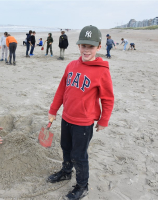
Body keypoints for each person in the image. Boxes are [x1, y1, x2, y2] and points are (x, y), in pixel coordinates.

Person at [47, 25, 114, 200]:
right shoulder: (71, 65)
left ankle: (82, 185)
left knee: (79, 155)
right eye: (83, 45)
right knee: (65, 148)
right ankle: (66, 171)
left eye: (91, 46)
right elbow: (62, 89)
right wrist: (53, 110)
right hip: (66, 117)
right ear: (78, 46)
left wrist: (103, 120)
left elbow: (107, 98)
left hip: (83, 123)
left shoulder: (102, 71)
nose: (86, 50)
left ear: (99, 47)